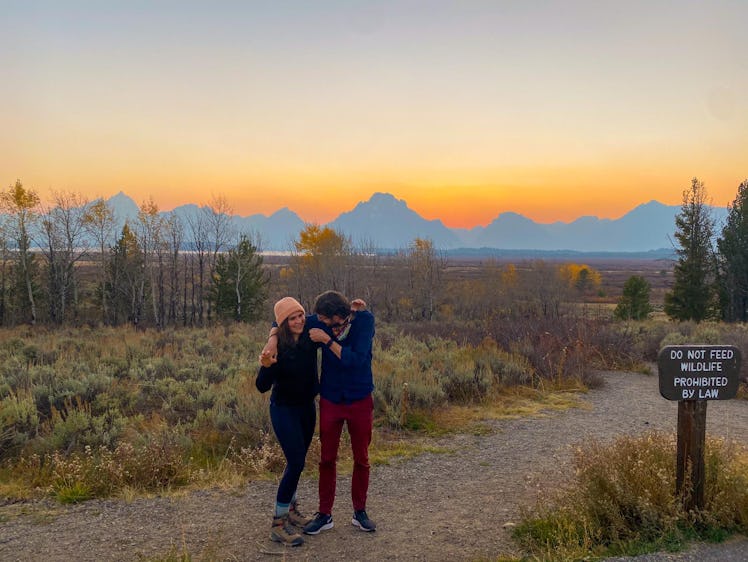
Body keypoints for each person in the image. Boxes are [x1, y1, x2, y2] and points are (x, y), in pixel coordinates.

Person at [262, 291, 377, 535]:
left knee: (362, 458)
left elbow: (355, 361)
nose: (321, 323)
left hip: (360, 398)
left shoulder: (364, 321)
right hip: (330, 399)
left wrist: (327, 340)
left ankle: (360, 511)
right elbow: (285, 318)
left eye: (327, 321)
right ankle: (324, 514)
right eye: (321, 320)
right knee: (326, 459)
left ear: (341, 316)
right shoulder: (320, 321)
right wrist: (272, 339)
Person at [256, 297, 318, 547]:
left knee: (298, 463)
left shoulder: (310, 334)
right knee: (296, 461)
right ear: (285, 323)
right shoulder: (277, 347)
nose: (299, 320)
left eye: (301, 315)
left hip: (307, 408)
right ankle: (278, 524)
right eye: (293, 318)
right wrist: (266, 364)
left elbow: (332, 319)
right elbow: (261, 387)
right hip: (283, 410)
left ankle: (291, 511)